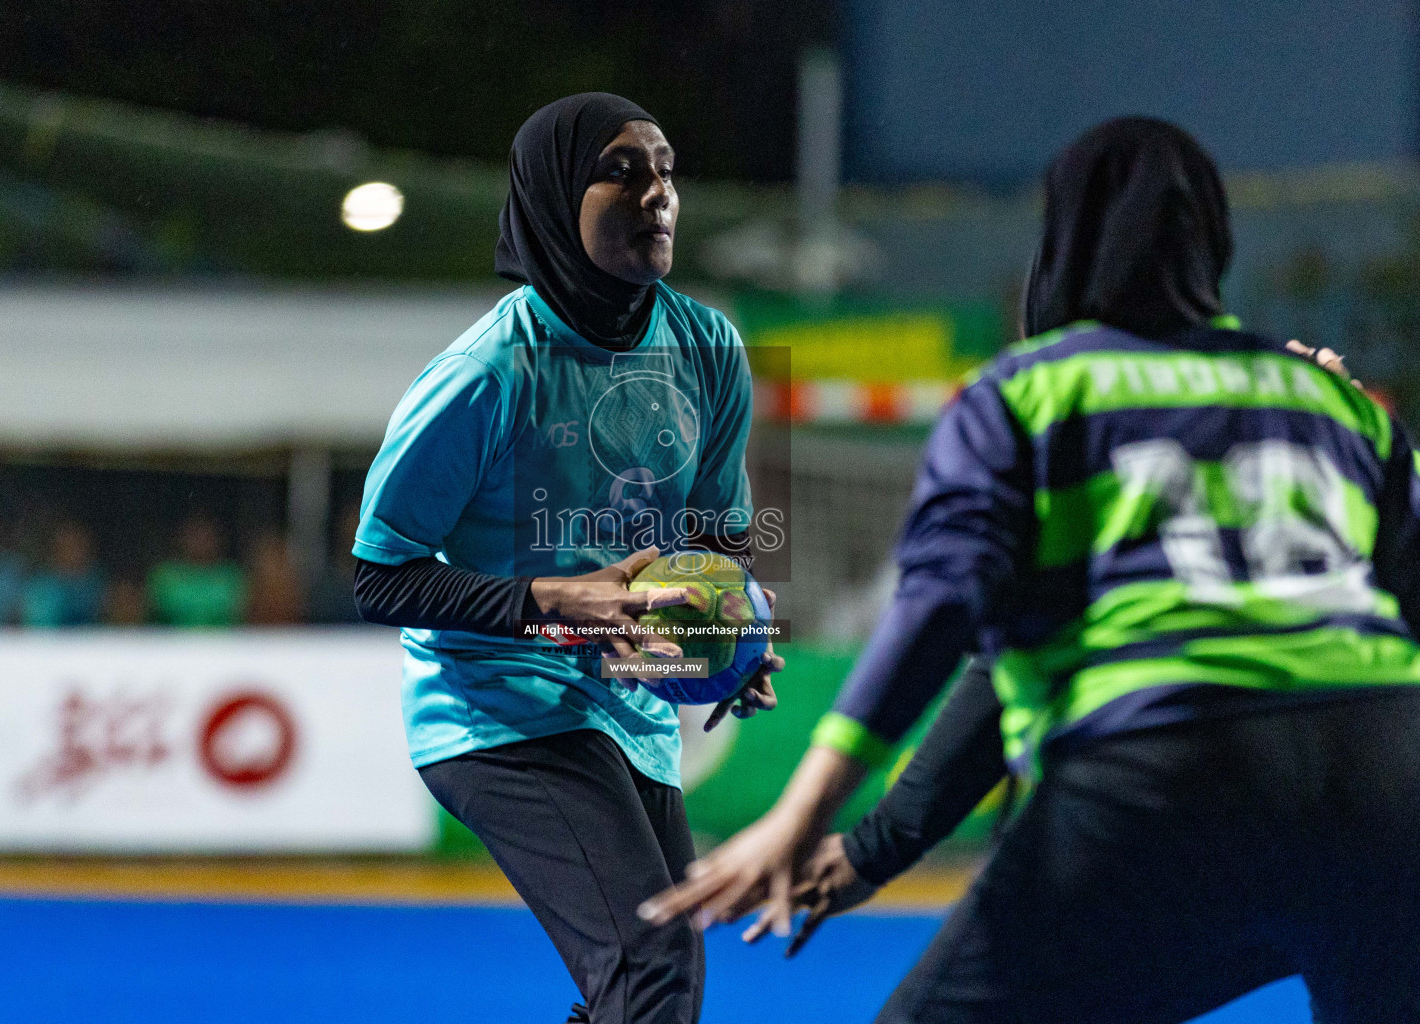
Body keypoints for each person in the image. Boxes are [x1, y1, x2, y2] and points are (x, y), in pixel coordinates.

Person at [643, 117, 1420, 1022]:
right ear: (1216, 241)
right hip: (1392, 789)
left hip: (1162, 781)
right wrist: (874, 850)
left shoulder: (1032, 393)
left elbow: (947, 611)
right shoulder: (1335, 402)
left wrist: (807, 813)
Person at [353, 93, 781, 1024]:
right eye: (622, 170)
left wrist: (732, 634)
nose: (657, 192)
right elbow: (378, 575)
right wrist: (553, 599)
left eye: (665, 169)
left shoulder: (707, 348)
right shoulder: (486, 373)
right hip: (497, 708)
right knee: (651, 963)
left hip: (628, 702)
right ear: (554, 198)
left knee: (659, 977)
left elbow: (713, 538)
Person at [146, 513, 246, 627]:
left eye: (205, 535)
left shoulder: (231, 576)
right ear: (182, 537)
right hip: (172, 643)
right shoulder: (164, 576)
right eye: (195, 534)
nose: (200, 540)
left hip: (223, 643)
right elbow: (151, 618)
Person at [22, 520, 106, 627]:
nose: (73, 551)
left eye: (77, 544)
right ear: (56, 548)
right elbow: (38, 629)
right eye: (67, 544)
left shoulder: (98, 582)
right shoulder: (41, 588)